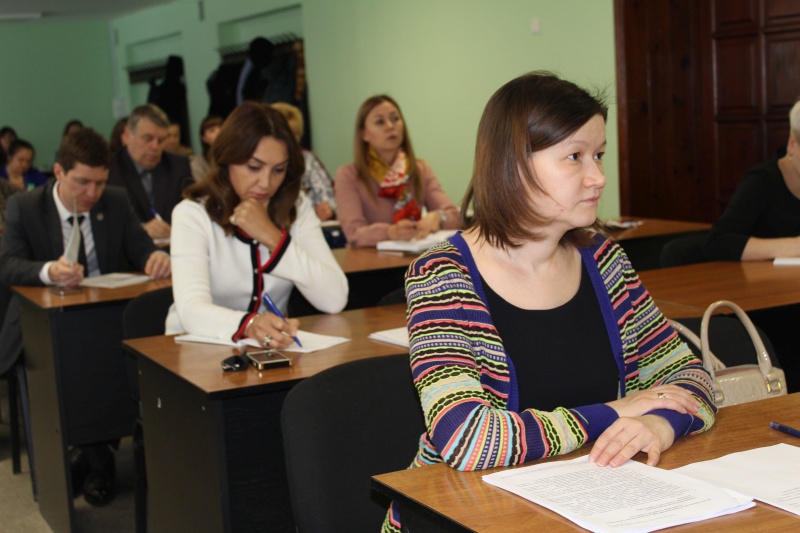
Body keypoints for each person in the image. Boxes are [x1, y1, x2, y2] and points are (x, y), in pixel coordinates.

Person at [383, 72, 717, 532]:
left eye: (599, 154)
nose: (598, 177)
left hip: (593, 502)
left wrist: (661, 423)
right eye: (574, 157)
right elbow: (468, 437)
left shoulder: (604, 261)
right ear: (514, 164)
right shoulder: (442, 275)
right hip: (465, 514)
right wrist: (615, 412)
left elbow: (692, 377)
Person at [0, 128, 171, 506]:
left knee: (123, 352)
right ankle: (97, 459)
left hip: (103, 319)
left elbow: (142, 250)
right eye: (82, 182)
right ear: (59, 172)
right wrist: (48, 271)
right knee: (80, 360)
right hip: (45, 327)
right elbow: (7, 265)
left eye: (100, 182)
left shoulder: (115, 200)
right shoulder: (25, 207)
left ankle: (91, 457)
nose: (92, 193)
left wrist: (156, 259)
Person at [165, 101, 348, 346]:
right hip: (194, 349)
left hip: (269, 350)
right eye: (254, 167)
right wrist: (250, 324)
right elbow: (191, 310)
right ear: (226, 159)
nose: (265, 183)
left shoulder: (297, 207)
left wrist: (274, 239)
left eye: (278, 170)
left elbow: (335, 299)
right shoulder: (192, 214)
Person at [334, 95, 459, 247]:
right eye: (380, 122)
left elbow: (455, 216)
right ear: (364, 134)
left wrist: (439, 217)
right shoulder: (348, 175)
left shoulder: (420, 169)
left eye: (395, 119)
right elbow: (353, 233)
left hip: (416, 254)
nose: (390, 126)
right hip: (370, 259)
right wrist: (389, 232)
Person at [704, 99, 800, 261]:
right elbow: (716, 243)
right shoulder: (762, 181)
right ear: (792, 144)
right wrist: (794, 246)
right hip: (756, 276)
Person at [108, 104, 192, 240]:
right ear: (127, 135)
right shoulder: (110, 170)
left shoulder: (178, 166)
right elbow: (109, 222)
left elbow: (192, 210)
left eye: (161, 140)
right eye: (148, 139)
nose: (155, 147)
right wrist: (141, 228)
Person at [271, 102, 337, 221]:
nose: (289, 139)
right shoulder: (262, 164)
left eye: (294, 134)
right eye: (284, 133)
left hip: (310, 223)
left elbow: (329, 197)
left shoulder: (308, 159)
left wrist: (326, 209)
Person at [189, 114, 223, 182]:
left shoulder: (234, 156)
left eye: (221, 128)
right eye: (212, 130)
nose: (218, 132)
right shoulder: (197, 164)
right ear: (204, 138)